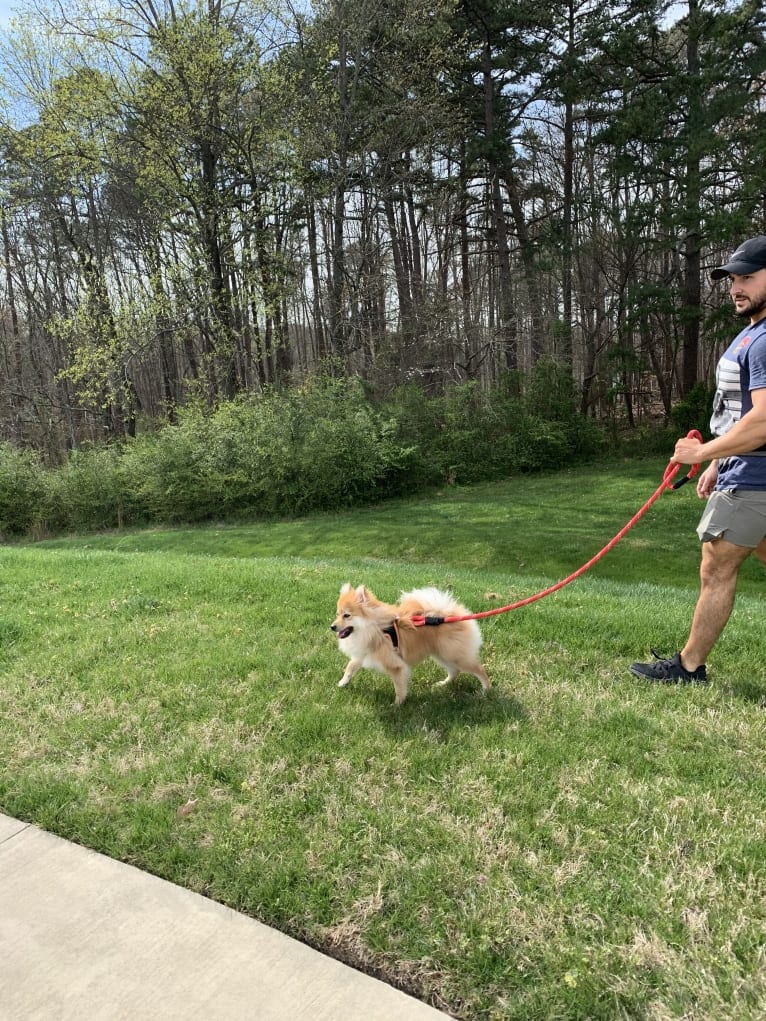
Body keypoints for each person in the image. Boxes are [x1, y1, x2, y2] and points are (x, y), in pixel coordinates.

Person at [630, 234, 766, 683]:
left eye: (748, 277)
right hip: (742, 469)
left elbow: (764, 422)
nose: (736, 288)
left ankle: (688, 666)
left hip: (754, 478)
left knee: (716, 566)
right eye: (732, 279)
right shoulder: (752, 333)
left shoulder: (764, 341)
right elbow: (740, 413)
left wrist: (703, 450)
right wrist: (715, 462)